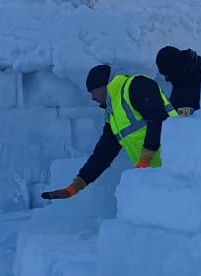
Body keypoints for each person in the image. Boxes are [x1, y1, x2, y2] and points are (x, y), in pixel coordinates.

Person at [41, 64, 178, 200]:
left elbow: (157, 119)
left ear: (102, 86)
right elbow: (102, 155)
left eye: (92, 91)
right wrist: (74, 187)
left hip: (179, 164)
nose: (92, 98)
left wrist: (145, 160)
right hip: (158, 174)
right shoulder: (115, 115)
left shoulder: (136, 85)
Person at [154, 45, 201, 115]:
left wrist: (177, 111)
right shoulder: (181, 76)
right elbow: (176, 106)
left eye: (167, 74)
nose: (166, 79)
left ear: (174, 70)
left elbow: (195, 112)